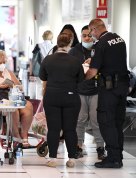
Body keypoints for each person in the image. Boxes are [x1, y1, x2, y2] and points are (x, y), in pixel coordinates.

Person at [86, 18, 129, 168]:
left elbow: (92, 71)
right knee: (117, 123)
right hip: (123, 87)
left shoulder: (101, 44)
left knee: (106, 122)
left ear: (94, 29)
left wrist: (80, 77)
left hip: (109, 89)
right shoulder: (119, 39)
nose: (91, 35)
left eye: (91, 32)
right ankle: (118, 156)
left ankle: (112, 158)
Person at [39, 34, 84, 168]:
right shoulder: (75, 61)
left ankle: (52, 158)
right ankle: (71, 159)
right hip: (71, 97)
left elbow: (42, 76)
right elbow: (81, 79)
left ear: (57, 43)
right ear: (70, 43)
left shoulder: (48, 59)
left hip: (52, 96)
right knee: (70, 129)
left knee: (53, 129)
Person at [0, 50, 33, 147]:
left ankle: (24, 135)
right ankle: (16, 138)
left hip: (11, 95)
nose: (2, 65)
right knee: (13, 109)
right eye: (0, 63)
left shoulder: (8, 72)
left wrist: (13, 86)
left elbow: (19, 85)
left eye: (4, 62)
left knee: (28, 106)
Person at [69, 25, 105, 160]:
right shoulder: (74, 51)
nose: (87, 38)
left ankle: (100, 148)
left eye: (89, 35)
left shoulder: (99, 48)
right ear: (80, 36)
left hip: (96, 90)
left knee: (96, 121)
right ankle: (78, 146)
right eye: (84, 35)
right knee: (80, 120)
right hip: (80, 90)